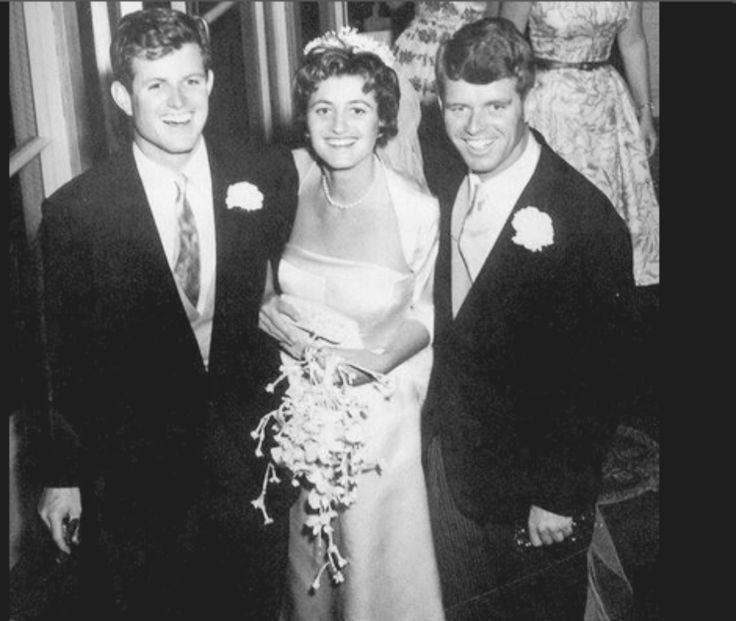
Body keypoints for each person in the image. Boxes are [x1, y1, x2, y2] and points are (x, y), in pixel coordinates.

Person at [37, 8, 297, 619]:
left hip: (249, 462)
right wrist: (64, 473)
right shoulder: (77, 213)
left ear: (210, 81)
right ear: (124, 96)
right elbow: (62, 355)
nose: (179, 102)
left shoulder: (265, 174)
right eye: (156, 85)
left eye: (191, 80)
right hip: (140, 478)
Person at [419, 17, 636, 619]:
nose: (474, 128)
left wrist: (560, 497)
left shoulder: (583, 223)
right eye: (459, 107)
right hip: (454, 472)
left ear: (525, 97)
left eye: (495, 106)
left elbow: (599, 380)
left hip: (535, 500)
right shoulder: (444, 185)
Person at [258, 28, 445, 621]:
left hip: (376, 419)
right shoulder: (287, 182)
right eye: (323, 109)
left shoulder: (416, 207)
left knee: (375, 579)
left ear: (383, 119)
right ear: (305, 118)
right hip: (297, 417)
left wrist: (360, 366)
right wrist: (270, 310)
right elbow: (257, 274)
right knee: (306, 570)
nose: (339, 126)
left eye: (357, 109)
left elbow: (423, 316)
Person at [500, 1, 659, 287]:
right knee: (552, 215)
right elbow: (505, 42)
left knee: (606, 216)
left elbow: (633, 42)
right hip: (549, 104)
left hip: (605, 107)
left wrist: (645, 111)